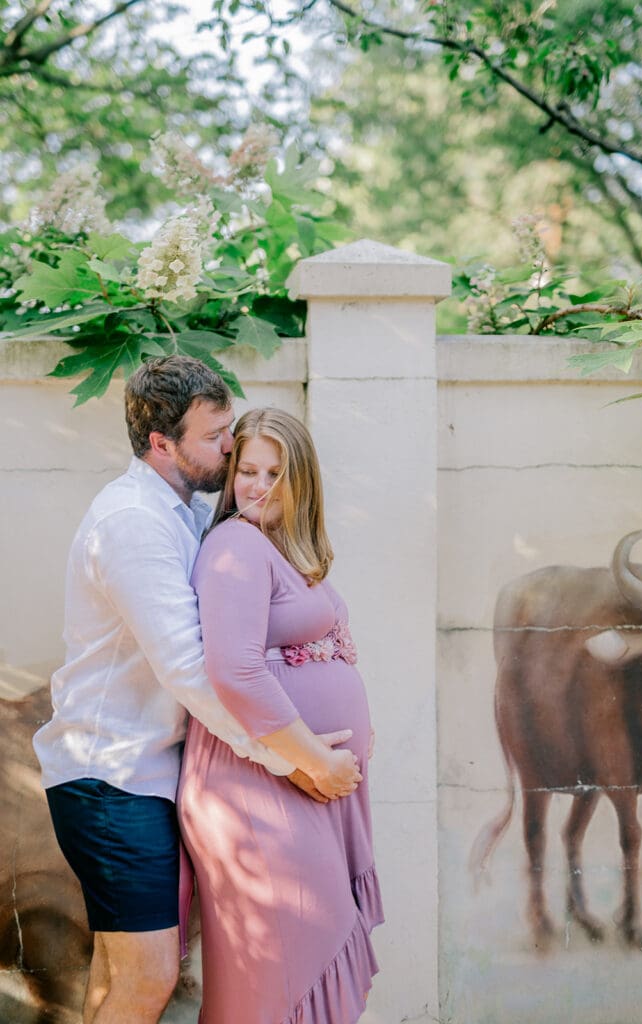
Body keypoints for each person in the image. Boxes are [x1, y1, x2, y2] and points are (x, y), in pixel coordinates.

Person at [33, 357, 359, 1024]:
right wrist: (292, 759)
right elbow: (193, 668)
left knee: (115, 978)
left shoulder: (180, 513)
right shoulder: (134, 524)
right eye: (214, 437)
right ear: (162, 444)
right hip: (114, 780)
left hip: (137, 776)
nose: (230, 446)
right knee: (147, 981)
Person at [178, 407, 384, 1024]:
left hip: (295, 784)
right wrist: (316, 759)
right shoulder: (236, 544)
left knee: (293, 959)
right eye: (247, 470)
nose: (258, 486)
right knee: (284, 961)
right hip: (255, 788)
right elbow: (236, 671)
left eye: (276, 472)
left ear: (304, 481)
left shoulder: (278, 548)